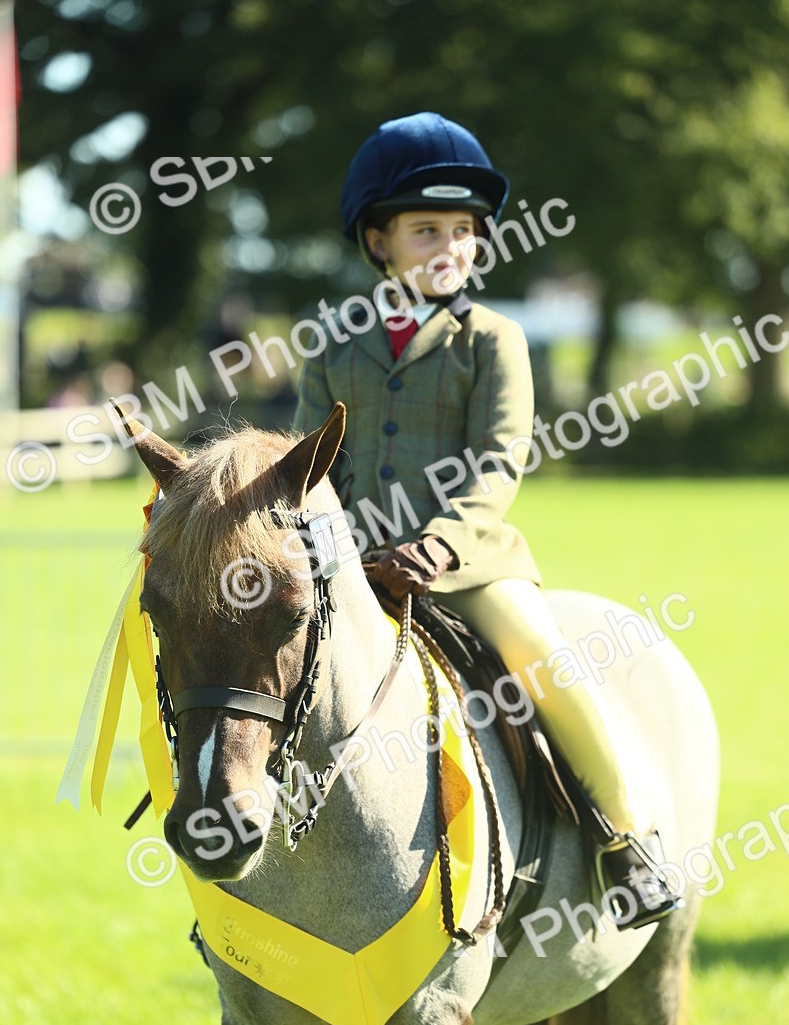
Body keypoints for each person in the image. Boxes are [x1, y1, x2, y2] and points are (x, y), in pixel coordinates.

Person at [292, 111, 682, 930]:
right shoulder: (333, 342)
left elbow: (498, 462)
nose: (450, 246)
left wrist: (436, 544)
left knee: (541, 654)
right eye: (426, 228)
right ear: (378, 241)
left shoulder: (494, 340)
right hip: (353, 563)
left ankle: (625, 837)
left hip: (466, 561)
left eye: (465, 232)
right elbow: (307, 460)